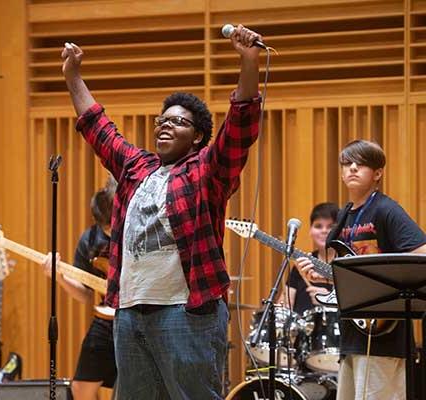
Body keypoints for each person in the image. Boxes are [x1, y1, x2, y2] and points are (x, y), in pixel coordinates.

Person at [61, 24, 262, 399]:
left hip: (185, 312)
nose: (165, 126)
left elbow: (240, 126)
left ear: (197, 136)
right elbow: (97, 127)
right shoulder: (137, 168)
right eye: (162, 120)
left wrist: (248, 61)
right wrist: (73, 76)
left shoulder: (206, 170)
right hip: (130, 311)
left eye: (177, 122)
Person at [298, 140, 426, 400]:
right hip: (352, 336)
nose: (353, 168)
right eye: (347, 163)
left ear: (377, 173)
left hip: (386, 338)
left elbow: (422, 255)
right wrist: (320, 275)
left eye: (361, 164)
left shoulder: (386, 209)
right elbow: (347, 279)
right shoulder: (343, 217)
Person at [41, 178, 117, 400]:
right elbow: (85, 294)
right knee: (80, 389)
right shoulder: (91, 239)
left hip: (139, 320)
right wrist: (60, 278)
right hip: (106, 320)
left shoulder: (140, 234)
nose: (109, 230)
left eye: (112, 224)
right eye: (105, 226)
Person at [277, 202, 338, 315]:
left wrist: (330, 300)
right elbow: (284, 306)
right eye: (318, 226)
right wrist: (281, 308)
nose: (324, 231)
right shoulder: (303, 264)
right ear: (310, 231)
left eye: (330, 226)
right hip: (303, 330)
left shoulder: (345, 263)